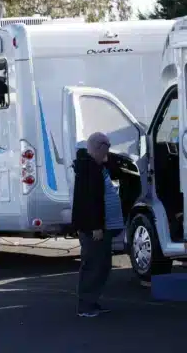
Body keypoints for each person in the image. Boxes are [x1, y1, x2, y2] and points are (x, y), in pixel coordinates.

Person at [71, 132, 124, 318]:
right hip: (94, 228)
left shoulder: (96, 166)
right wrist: (96, 226)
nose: (107, 154)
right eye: (106, 150)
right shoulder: (89, 169)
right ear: (99, 148)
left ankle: (91, 301)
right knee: (94, 264)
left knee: (102, 264)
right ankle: (85, 305)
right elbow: (89, 200)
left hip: (101, 226)